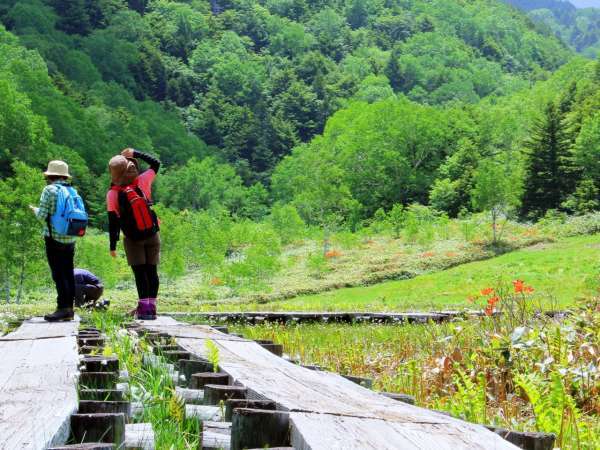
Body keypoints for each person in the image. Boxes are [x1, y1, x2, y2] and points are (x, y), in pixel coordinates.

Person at [107, 148, 161, 320]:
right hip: (152, 234)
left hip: (133, 239)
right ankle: (151, 309)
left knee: (140, 273)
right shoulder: (142, 180)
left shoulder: (113, 193)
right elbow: (156, 163)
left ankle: (144, 311)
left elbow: (113, 221)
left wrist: (113, 245)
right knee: (152, 272)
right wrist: (135, 153)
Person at [31, 161, 84, 322]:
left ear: (50, 176)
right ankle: (69, 309)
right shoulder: (72, 190)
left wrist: (34, 210)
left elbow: (42, 216)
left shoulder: (49, 190)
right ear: (64, 175)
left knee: (58, 274)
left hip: (54, 238)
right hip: (70, 237)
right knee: (68, 273)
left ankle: (62, 309)